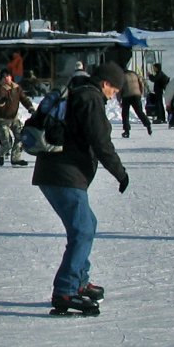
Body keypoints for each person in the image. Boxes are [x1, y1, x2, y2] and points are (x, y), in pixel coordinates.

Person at [31, 62, 130, 316]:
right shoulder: (90, 98)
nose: (115, 95)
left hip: (58, 172)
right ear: (106, 83)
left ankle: (79, 280)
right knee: (82, 229)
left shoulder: (79, 92)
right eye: (115, 89)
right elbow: (100, 141)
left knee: (87, 224)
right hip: (63, 173)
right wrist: (120, 173)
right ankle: (66, 290)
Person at [0, 70, 31, 166]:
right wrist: (1, 100)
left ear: (11, 77)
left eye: (8, 76)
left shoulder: (17, 88)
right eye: (4, 77)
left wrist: (30, 107)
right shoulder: (0, 88)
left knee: (21, 137)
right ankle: (1, 152)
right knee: (7, 144)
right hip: (2, 119)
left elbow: (24, 98)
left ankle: (16, 158)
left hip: (14, 118)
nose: (6, 78)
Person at [119, 66, 150, 138]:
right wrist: (140, 93)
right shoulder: (135, 74)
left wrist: (119, 99)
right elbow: (141, 83)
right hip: (136, 95)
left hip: (126, 96)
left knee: (125, 114)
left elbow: (119, 89)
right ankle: (147, 124)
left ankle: (126, 131)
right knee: (139, 111)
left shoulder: (122, 76)